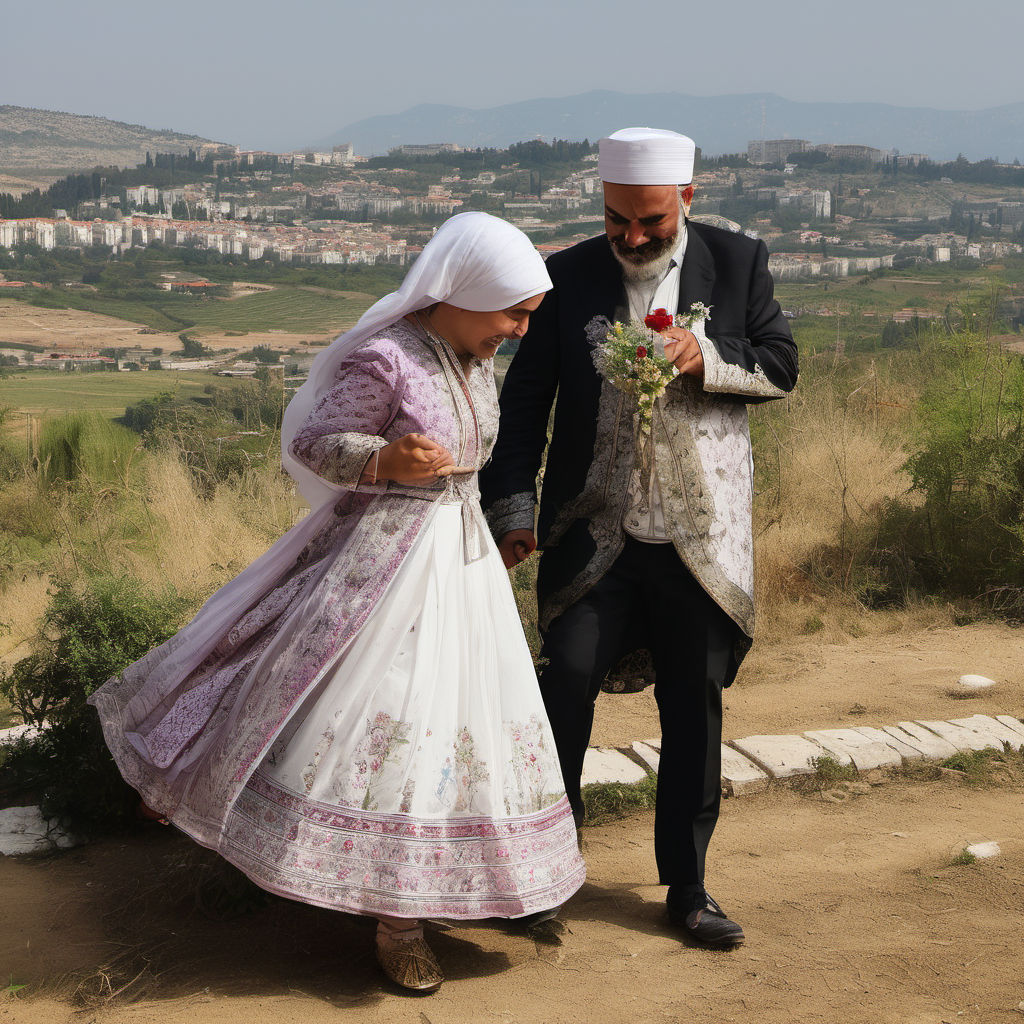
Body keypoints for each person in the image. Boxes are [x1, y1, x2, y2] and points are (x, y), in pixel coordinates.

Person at [89, 212, 585, 995]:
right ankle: (395, 920)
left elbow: (472, 459)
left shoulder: (475, 359)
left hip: (462, 571)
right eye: (512, 313)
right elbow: (315, 441)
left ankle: (432, 892)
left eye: (529, 316)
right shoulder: (386, 357)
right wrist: (385, 460)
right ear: (461, 292)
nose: (521, 330)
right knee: (377, 717)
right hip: (380, 569)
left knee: (458, 725)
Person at [479, 128, 798, 947]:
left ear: (686, 197)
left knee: (695, 706)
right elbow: (526, 405)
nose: (631, 235)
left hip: (700, 538)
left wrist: (704, 355)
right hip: (592, 531)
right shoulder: (566, 274)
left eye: (650, 220)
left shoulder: (739, 262)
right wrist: (513, 511)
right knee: (563, 687)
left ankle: (688, 889)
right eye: (617, 219)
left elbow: (781, 365)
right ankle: (544, 872)